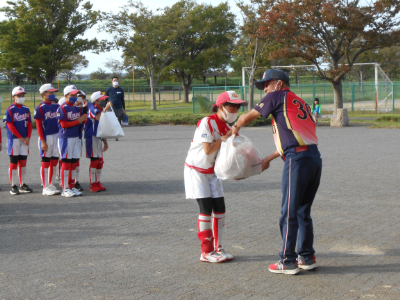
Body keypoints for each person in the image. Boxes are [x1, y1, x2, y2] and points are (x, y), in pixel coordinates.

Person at [232, 69, 322, 275]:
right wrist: (268, 159)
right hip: (313, 158)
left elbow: (247, 117)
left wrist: (234, 128)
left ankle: (287, 260)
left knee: (289, 212)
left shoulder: (277, 96)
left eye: (267, 83)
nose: (265, 88)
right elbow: (295, 139)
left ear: (279, 84)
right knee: (302, 211)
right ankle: (306, 257)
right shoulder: (299, 102)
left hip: (297, 159)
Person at [184, 91, 248, 263]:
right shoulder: (208, 122)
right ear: (221, 107)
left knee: (220, 208)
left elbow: (229, 155)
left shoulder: (228, 128)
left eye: (237, 106)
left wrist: (240, 170)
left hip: (213, 172)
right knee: (205, 208)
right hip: (197, 170)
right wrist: (227, 137)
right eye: (231, 105)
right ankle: (206, 252)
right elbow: (208, 150)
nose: (235, 109)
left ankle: (218, 247)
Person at [57, 85, 87, 197]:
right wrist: (78, 120)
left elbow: (82, 122)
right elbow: (63, 124)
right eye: (72, 95)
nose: (75, 97)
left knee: (74, 162)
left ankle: (71, 186)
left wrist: (84, 113)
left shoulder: (76, 108)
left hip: (75, 137)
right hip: (65, 138)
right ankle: (65, 189)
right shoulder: (62, 107)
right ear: (66, 95)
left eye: (76, 95)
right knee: (66, 162)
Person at [3, 86, 33, 195]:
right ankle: (13, 186)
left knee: (23, 162)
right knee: (13, 162)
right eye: (18, 95)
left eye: (22, 95)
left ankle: (22, 184)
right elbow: (9, 125)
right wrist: (20, 137)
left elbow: (29, 124)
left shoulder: (26, 109)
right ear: (13, 97)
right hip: (14, 139)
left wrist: (28, 137)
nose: (21, 97)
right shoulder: (10, 109)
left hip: (25, 139)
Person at [35, 84, 61, 196]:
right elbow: (39, 126)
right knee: (45, 162)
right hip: (46, 137)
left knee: (54, 162)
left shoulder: (56, 106)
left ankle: (51, 184)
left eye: (53, 92)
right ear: (44, 93)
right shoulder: (40, 107)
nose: (52, 94)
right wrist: (42, 141)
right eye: (50, 92)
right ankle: (45, 187)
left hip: (57, 136)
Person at [85, 91, 111, 192]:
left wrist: (105, 142)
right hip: (92, 137)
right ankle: (92, 184)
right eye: (101, 98)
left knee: (100, 161)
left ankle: (98, 182)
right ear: (96, 100)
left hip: (99, 137)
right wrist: (106, 109)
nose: (103, 100)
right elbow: (99, 118)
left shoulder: (99, 108)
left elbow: (102, 126)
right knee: (94, 160)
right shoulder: (92, 107)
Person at [105, 76, 125, 141]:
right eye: (114, 80)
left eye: (116, 80)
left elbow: (122, 100)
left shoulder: (121, 90)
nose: (115, 82)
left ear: (118, 82)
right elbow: (105, 99)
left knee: (118, 122)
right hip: (111, 108)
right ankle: (110, 134)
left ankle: (117, 135)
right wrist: (105, 107)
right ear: (112, 82)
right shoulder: (108, 89)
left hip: (119, 108)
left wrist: (124, 109)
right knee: (111, 122)